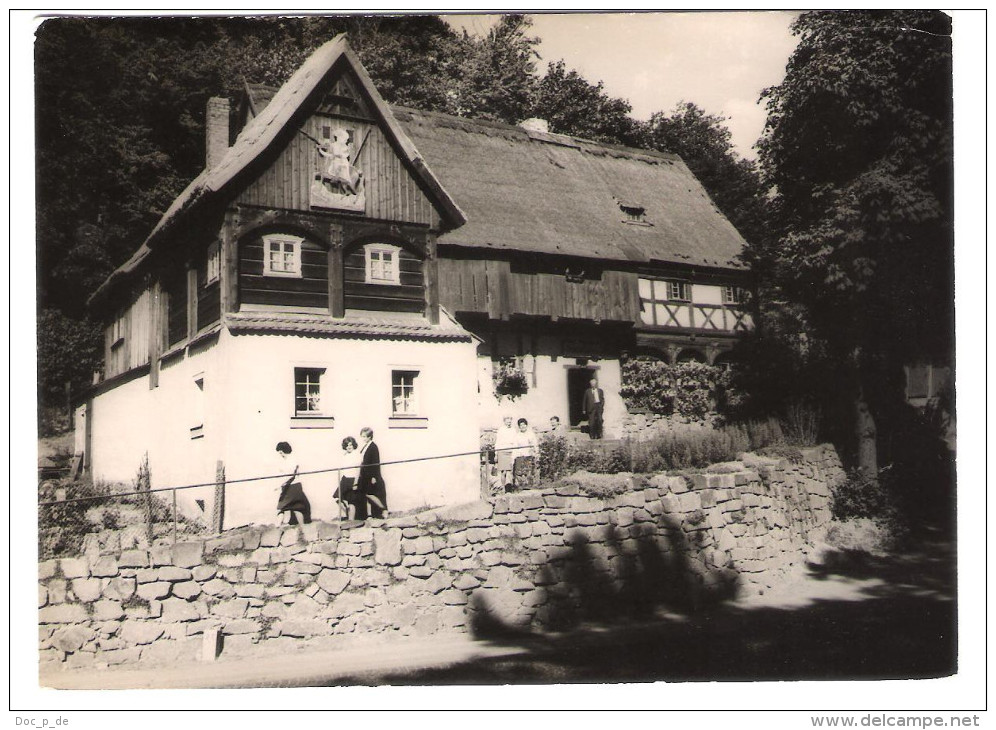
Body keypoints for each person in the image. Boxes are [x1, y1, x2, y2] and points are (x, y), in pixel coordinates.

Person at [274, 441, 311, 525]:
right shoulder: (286, 461)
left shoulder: (292, 460)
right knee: (296, 508)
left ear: (284, 451)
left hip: (292, 487)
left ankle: (277, 528)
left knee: (282, 507)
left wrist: (279, 485)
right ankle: (302, 528)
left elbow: (291, 475)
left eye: (281, 453)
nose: (281, 455)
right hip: (291, 486)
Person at [357, 427, 388, 520]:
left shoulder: (373, 447)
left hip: (371, 475)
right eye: (362, 436)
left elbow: (375, 462)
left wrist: (374, 476)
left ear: (370, 437)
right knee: (366, 494)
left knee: (370, 494)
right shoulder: (365, 446)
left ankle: (383, 509)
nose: (363, 438)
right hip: (365, 475)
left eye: (365, 436)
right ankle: (372, 514)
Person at [332, 436, 362, 520]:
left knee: (352, 501)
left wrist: (356, 482)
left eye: (351, 445)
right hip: (345, 479)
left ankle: (351, 520)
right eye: (347, 445)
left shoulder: (357, 455)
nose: (349, 447)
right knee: (337, 497)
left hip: (353, 479)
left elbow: (358, 469)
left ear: (354, 445)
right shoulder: (345, 455)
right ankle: (347, 510)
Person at [510, 418, 539, 491]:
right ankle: (521, 487)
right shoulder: (517, 436)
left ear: (526, 425)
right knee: (520, 473)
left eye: (524, 425)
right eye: (521, 425)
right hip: (520, 456)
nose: (522, 426)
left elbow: (535, 444)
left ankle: (529, 486)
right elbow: (515, 447)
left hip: (529, 456)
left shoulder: (531, 434)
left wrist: (536, 453)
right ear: (519, 426)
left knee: (528, 471)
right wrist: (513, 457)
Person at [493, 414, 517, 493]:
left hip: (511, 451)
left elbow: (515, 442)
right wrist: (496, 454)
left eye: (510, 421)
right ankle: (503, 488)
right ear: (504, 421)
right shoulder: (501, 430)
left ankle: (510, 489)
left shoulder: (513, 430)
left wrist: (515, 452)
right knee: (503, 471)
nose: (509, 423)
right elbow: (497, 442)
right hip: (502, 451)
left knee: (510, 471)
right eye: (507, 421)